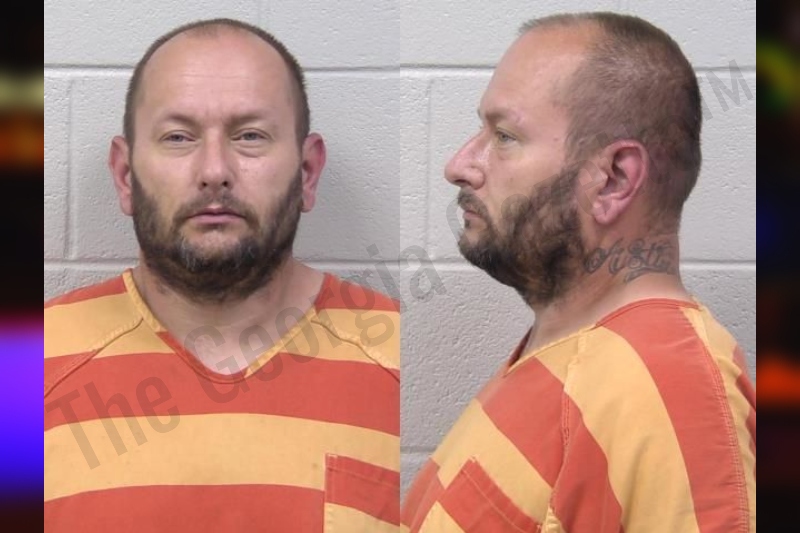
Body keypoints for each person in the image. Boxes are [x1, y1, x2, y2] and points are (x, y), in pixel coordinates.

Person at [402, 12, 756, 532]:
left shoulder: (667, 386)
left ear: (613, 180)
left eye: (504, 136)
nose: (459, 164)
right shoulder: (579, 353)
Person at [44, 19, 399, 532]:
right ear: (125, 176)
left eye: (250, 136)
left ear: (307, 173)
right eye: (178, 137)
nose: (214, 171)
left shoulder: (398, 355)